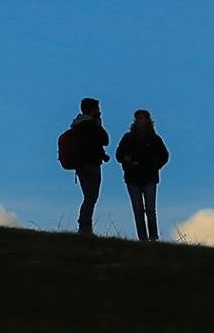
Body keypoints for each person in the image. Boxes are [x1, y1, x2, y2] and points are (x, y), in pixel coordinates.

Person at [115, 108, 170, 242]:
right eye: (138, 118)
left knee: (150, 209)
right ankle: (143, 238)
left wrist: (155, 166)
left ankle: (153, 237)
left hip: (149, 177)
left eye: (142, 118)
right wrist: (127, 162)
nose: (140, 121)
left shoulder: (154, 139)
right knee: (138, 210)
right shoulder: (128, 138)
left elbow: (164, 155)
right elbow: (118, 155)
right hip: (133, 177)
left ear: (147, 121)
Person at [65, 96, 109, 234]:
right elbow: (104, 139)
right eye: (97, 109)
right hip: (91, 164)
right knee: (91, 197)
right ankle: (84, 226)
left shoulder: (77, 125)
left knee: (88, 196)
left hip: (80, 165)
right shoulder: (90, 125)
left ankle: (84, 226)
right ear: (93, 110)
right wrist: (99, 124)